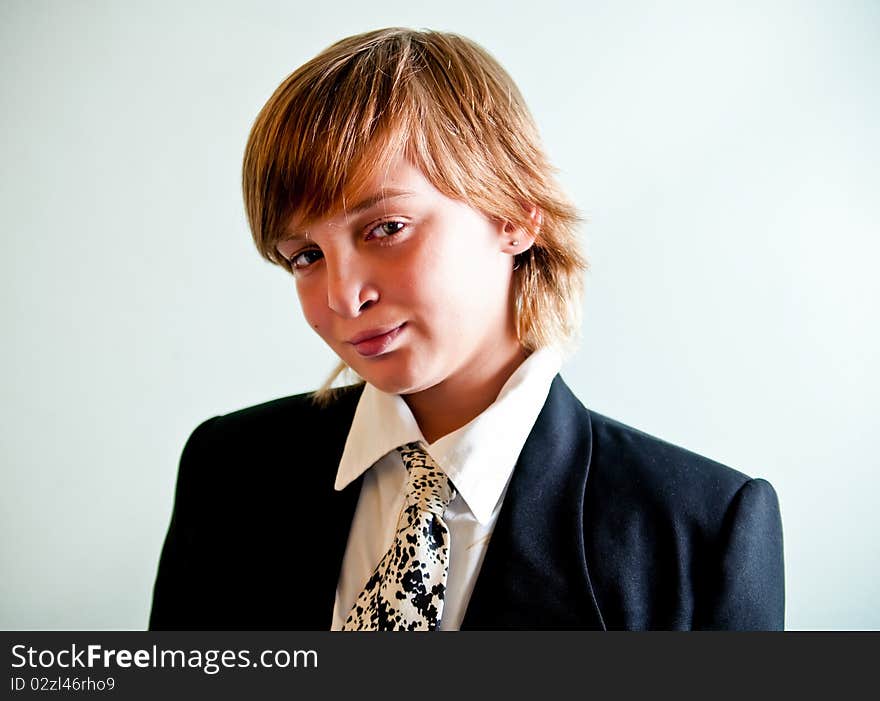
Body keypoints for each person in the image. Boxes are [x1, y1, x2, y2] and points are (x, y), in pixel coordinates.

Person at [148, 27, 784, 631]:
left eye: (386, 228)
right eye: (305, 256)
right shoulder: (229, 470)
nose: (343, 295)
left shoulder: (701, 530)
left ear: (511, 214)